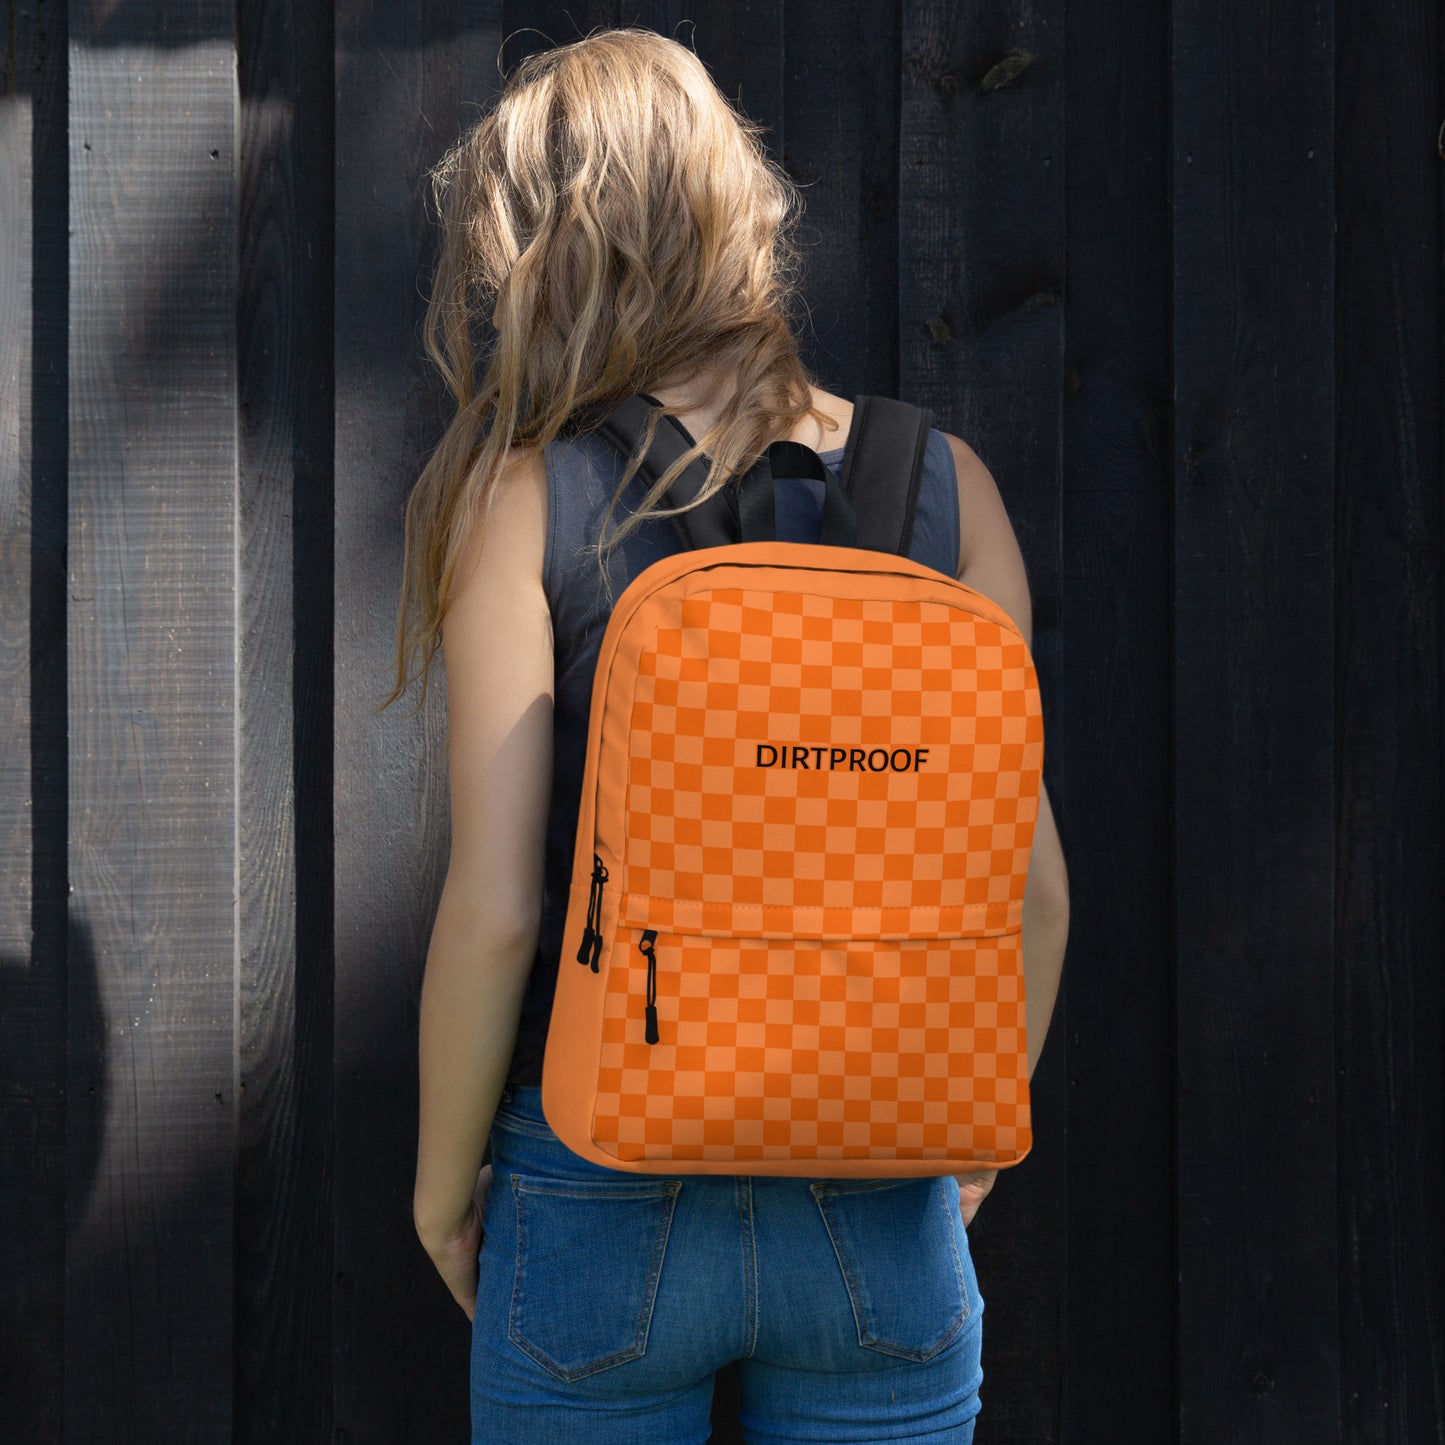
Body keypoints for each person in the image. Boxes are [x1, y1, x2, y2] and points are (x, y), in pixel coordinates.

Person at [390, 27, 1070, 1445]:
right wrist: (967, 1153)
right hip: (879, 1184)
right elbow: (1035, 892)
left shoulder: (526, 497)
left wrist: (443, 1191)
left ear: (541, 253)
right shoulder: (948, 490)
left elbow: (501, 906)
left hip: (593, 1172)